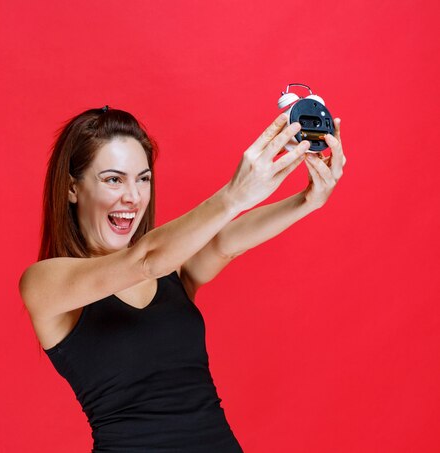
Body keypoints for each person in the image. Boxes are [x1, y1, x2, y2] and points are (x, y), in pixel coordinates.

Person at [19, 106, 346, 452]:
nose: (132, 197)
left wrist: (308, 200)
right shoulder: (44, 283)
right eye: (113, 179)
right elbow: (144, 259)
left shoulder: (173, 269)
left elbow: (224, 243)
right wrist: (233, 196)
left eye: (143, 178)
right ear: (72, 188)